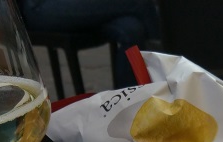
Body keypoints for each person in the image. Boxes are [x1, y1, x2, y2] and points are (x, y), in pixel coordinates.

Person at [18, 0, 161, 88]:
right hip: (39, 7)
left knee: (132, 29)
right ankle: (165, 76)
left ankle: (130, 103)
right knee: (140, 2)